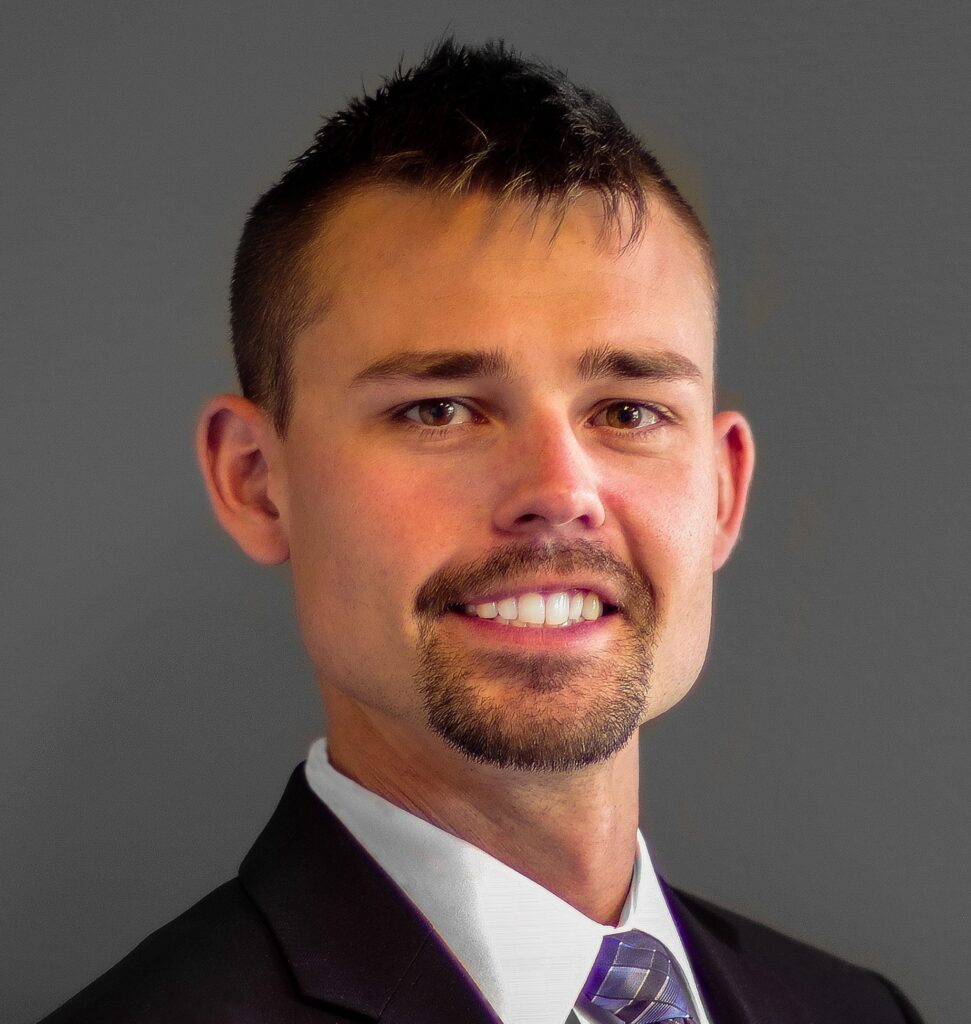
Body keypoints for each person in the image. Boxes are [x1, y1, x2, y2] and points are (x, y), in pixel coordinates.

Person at [39, 39, 923, 1024]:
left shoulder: (855, 1009)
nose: (558, 489)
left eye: (626, 412)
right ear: (254, 481)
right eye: (439, 409)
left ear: (721, 489)